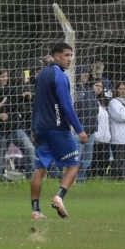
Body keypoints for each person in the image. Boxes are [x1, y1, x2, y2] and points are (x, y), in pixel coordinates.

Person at [30, 42, 88, 220]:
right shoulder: (60, 77)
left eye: (71, 55)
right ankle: (59, 197)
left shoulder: (42, 75)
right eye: (66, 55)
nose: (70, 59)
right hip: (57, 128)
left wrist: (34, 126)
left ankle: (36, 210)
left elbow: (37, 102)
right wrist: (80, 130)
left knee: (40, 168)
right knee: (74, 164)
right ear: (56, 56)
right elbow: (66, 106)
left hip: (40, 128)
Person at [0, 68, 36, 179]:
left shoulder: (11, 89)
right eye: (2, 76)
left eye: (6, 76)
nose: (5, 78)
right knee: (0, 160)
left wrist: (26, 95)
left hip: (15, 129)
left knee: (31, 151)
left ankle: (30, 178)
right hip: (0, 131)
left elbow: (19, 97)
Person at [73, 66, 98, 183]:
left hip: (91, 130)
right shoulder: (73, 90)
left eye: (88, 73)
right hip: (78, 131)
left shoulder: (90, 91)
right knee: (76, 158)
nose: (86, 75)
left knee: (87, 160)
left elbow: (95, 109)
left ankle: (81, 181)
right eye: (83, 72)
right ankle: (72, 181)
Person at [107, 81, 125, 180]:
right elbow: (119, 117)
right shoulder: (113, 102)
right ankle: (117, 178)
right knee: (119, 160)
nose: (122, 91)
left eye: (124, 89)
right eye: (120, 88)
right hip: (118, 137)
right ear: (116, 90)